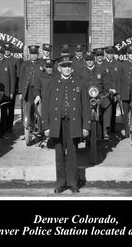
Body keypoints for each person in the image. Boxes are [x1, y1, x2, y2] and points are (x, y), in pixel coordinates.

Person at [42, 55, 90, 194]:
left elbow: (85, 106)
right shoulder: (52, 82)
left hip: (73, 123)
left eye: (69, 66)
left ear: (72, 68)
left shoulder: (80, 83)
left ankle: (73, 183)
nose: (67, 69)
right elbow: (45, 105)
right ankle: (61, 183)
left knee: (73, 153)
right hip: (57, 123)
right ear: (59, 68)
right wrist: (46, 126)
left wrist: (85, 126)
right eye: (64, 66)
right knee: (59, 153)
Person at [76, 52, 114, 140]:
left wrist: (109, 89)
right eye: (87, 60)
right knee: (77, 108)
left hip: (99, 96)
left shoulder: (102, 69)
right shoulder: (80, 71)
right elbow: (77, 83)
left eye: (91, 60)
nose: (89, 62)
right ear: (85, 61)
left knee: (108, 105)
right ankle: (81, 130)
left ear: (94, 60)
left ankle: (105, 129)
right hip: (85, 97)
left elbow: (106, 83)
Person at [19, 45, 43, 132]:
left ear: (38, 54)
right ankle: (29, 125)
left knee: (39, 108)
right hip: (28, 90)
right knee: (29, 108)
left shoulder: (42, 64)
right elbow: (21, 79)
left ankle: (40, 128)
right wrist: (20, 92)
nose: (34, 56)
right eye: (32, 54)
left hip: (38, 91)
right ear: (30, 54)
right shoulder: (25, 64)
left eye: (35, 54)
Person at [103, 46, 121, 133]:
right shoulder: (102, 63)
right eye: (108, 53)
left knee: (113, 109)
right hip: (106, 91)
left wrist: (117, 91)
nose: (110, 55)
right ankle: (105, 129)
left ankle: (113, 127)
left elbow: (119, 78)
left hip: (115, 90)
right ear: (106, 54)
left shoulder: (117, 63)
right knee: (106, 109)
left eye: (111, 53)